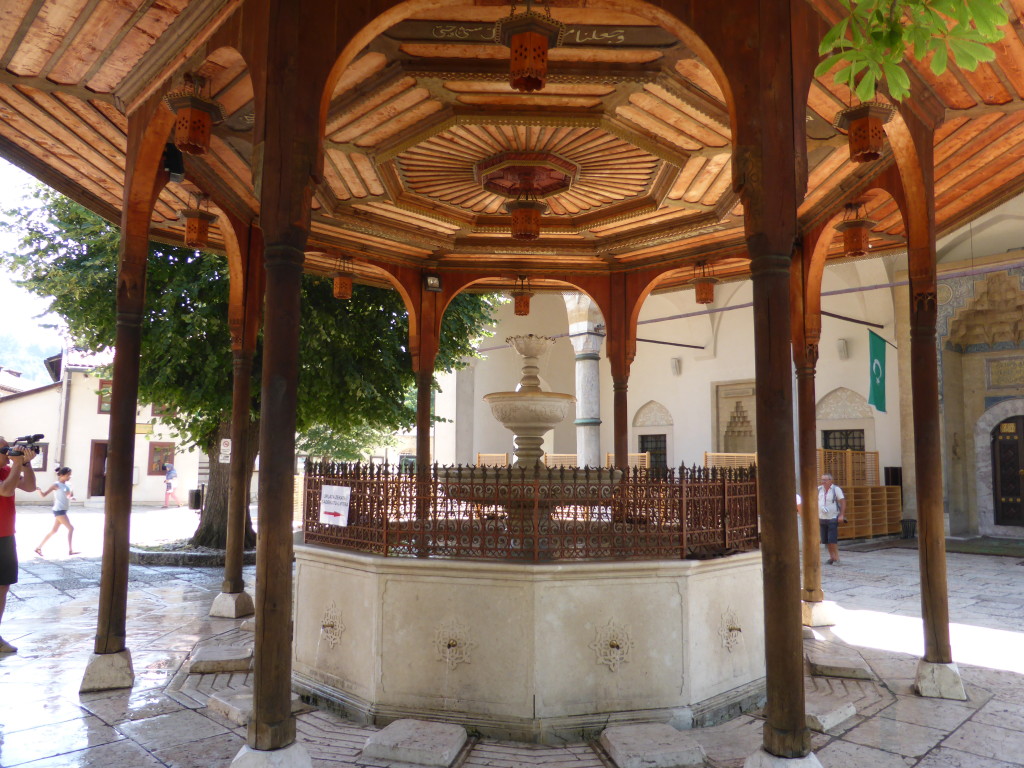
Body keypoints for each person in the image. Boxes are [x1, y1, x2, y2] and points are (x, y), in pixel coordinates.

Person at [0, 436, 37, 653]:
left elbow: (31, 487)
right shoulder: (8, 471)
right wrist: (16, 465)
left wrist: (26, 463)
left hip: (5, 536)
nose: (9, 452)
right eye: (5, 449)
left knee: (3, 587)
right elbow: (5, 490)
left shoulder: (7, 470)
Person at [35, 467, 77, 557]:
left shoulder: (68, 484)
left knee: (54, 531)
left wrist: (71, 496)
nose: (69, 476)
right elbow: (43, 495)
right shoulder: (56, 485)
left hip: (63, 510)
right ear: (61, 475)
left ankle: (38, 548)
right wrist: (38, 490)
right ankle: (70, 550)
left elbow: (68, 495)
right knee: (71, 528)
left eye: (70, 475)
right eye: (67, 475)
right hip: (59, 510)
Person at [818, 473, 846, 566]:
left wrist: (841, 515)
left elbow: (842, 501)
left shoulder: (835, 489)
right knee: (825, 540)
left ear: (830, 481)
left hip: (832, 517)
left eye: (825, 480)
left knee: (832, 540)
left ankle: (836, 558)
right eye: (822, 480)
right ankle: (831, 557)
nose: (823, 482)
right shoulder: (818, 489)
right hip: (822, 517)